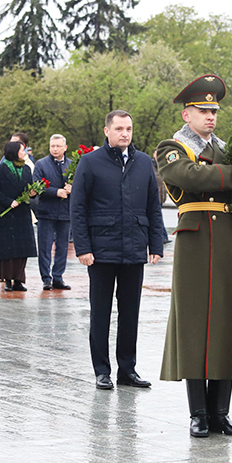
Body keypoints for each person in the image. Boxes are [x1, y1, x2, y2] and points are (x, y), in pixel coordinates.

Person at [157, 75, 232, 437]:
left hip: (227, 241)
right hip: (195, 242)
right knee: (194, 325)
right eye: (202, 110)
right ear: (186, 115)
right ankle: (198, 412)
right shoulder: (172, 147)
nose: (210, 116)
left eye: (214, 110)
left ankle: (220, 413)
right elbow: (189, 176)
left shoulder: (227, 149)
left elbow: (228, 177)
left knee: (227, 323)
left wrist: (226, 173)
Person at [70, 110, 165, 390]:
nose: (125, 133)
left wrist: (156, 243)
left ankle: (127, 370)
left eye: (129, 129)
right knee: (100, 312)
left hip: (134, 248)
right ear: (107, 131)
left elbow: (153, 206)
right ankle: (102, 371)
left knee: (130, 312)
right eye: (120, 128)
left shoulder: (144, 162)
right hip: (100, 250)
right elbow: (77, 207)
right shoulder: (90, 163)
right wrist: (82, 247)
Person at [0, 139, 38, 291]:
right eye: (22, 151)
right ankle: (8, 280)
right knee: (7, 249)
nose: (25, 153)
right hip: (6, 214)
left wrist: (33, 193)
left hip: (22, 213)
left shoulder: (25, 169)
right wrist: (8, 201)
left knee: (22, 248)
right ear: (14, 152)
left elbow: (29, 189)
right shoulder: (0, 169)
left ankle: (18, 279)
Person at [32, 134, 72, 290]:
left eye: (58, 146)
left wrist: (72, 188)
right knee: (45, 246)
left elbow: (83, 185)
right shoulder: (41, 164)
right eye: (52, 146)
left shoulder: (72, 165)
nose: (55, 149)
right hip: (46, 212)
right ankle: (46, 278)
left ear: (65, 147)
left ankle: (58, 277)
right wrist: (56, 192)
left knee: (63, 247)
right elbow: (37, 186)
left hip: (65, 212)